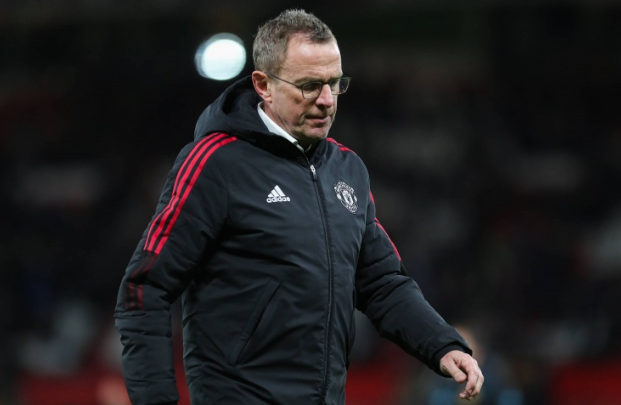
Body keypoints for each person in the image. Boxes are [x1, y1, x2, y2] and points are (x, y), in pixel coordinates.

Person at [114, 8, 483, 405]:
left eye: (335, 84)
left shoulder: (348, 169)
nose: (326, 101)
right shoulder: (215, 164)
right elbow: (145, 289)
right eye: (309, 86)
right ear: (263, 85)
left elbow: (381, 283)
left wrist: (442, 344)